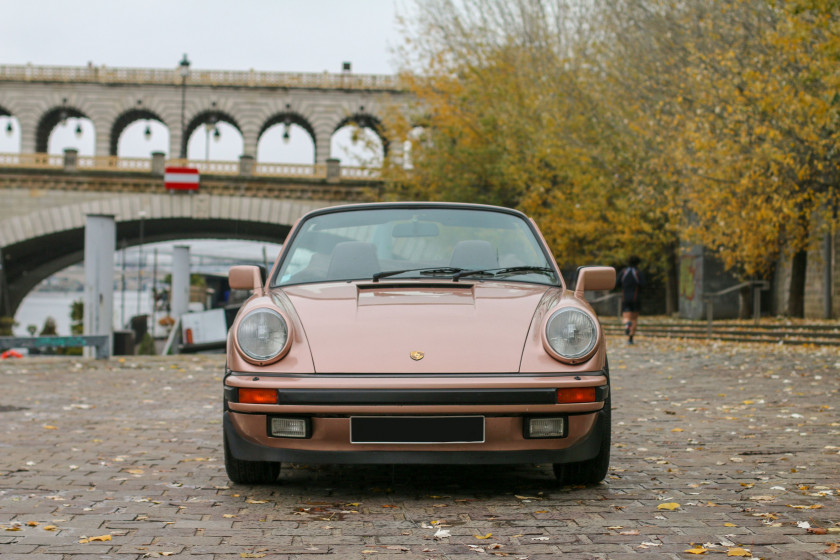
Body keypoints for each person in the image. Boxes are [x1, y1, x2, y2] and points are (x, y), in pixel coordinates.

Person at [617, 255, 645, 344]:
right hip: (636, 298)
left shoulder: (623, 272)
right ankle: (630, 339)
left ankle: (627, 324)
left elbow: (617, 283)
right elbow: (643, 284)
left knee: (626, 316)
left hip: (625, 297)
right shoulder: (638, 272)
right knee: (634, 319)